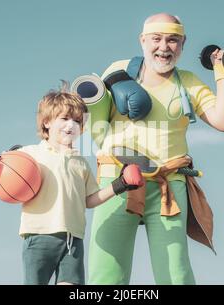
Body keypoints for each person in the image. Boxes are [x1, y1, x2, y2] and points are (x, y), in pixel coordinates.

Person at [88, 13, 224, 284]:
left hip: (168, 182)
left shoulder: (188, 82)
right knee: (106, 272)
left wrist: (222, 71)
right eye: (156, 39)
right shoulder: (118, 70)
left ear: (183, 43)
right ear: (142, 40)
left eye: (172, 40)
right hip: (117, 180)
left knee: (175, 274)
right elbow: (95, 123)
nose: (164, 47)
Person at [18, 85, 144, 285]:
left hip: (73, 240)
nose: (71, 125)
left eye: (77, 121)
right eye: (65, 118)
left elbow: (90, 200)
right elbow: (7, 172)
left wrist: (120, 184)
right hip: (39, 237)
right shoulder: (30, 154)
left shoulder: (81, 162)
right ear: (47, 122)